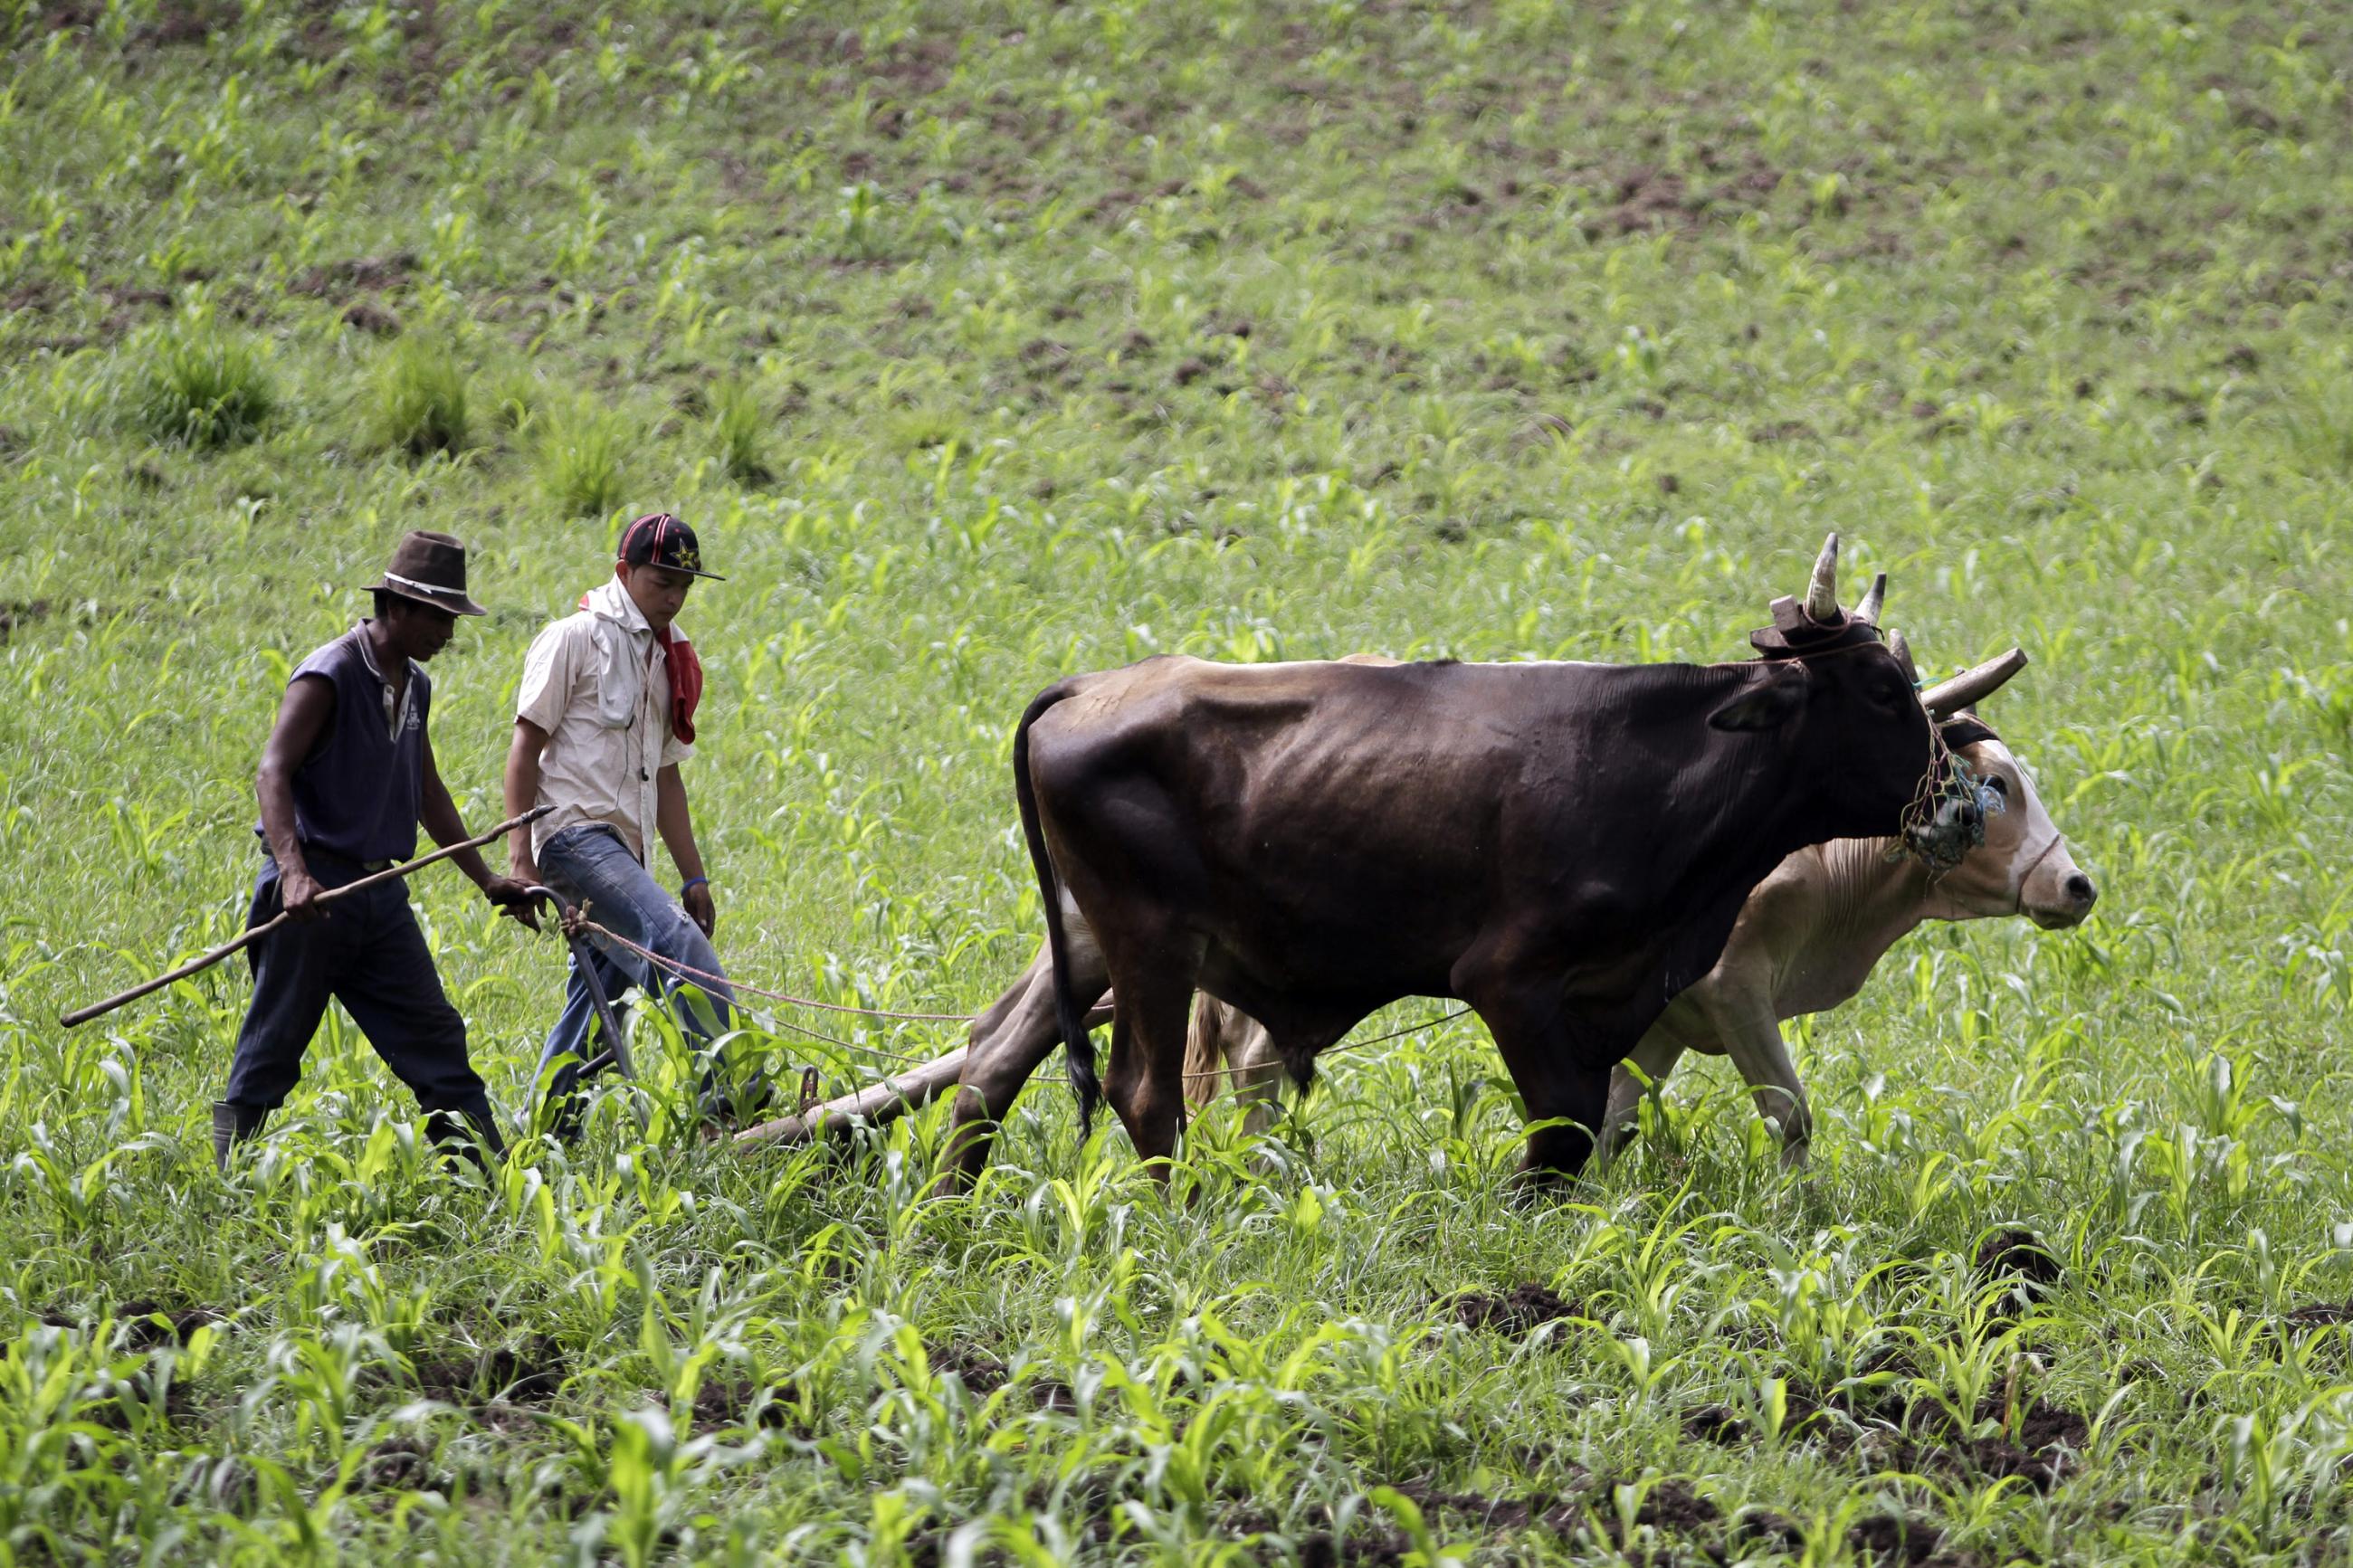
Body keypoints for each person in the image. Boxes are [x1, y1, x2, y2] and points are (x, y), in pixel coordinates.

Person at [214, 531, 539, 1173]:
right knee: (275, 1039)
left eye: (453, 619)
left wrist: (487, 878)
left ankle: (487, 1176)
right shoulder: (329, 673)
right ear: (396, 606)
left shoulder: (414, 685)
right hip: (314, 894)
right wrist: (294, 873)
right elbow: (272, 773)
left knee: (434, 1034)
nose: (448, 632)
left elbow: (426, 791)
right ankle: (229, 1172)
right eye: (439, 617)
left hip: (378, 896)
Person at [507, 512, 758, 1132]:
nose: (673, 596)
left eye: (684, 585)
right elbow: (523, 748)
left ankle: (542, 1135)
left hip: (626, 852)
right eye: (660, 581)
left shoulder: (665, 655)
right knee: (675, 943)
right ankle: (730, 1103)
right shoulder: (574, 638)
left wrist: (694, 876)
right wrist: (520, 858)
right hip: (572, 837)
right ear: (624, 572)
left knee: (599, 1000)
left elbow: (666, 777)